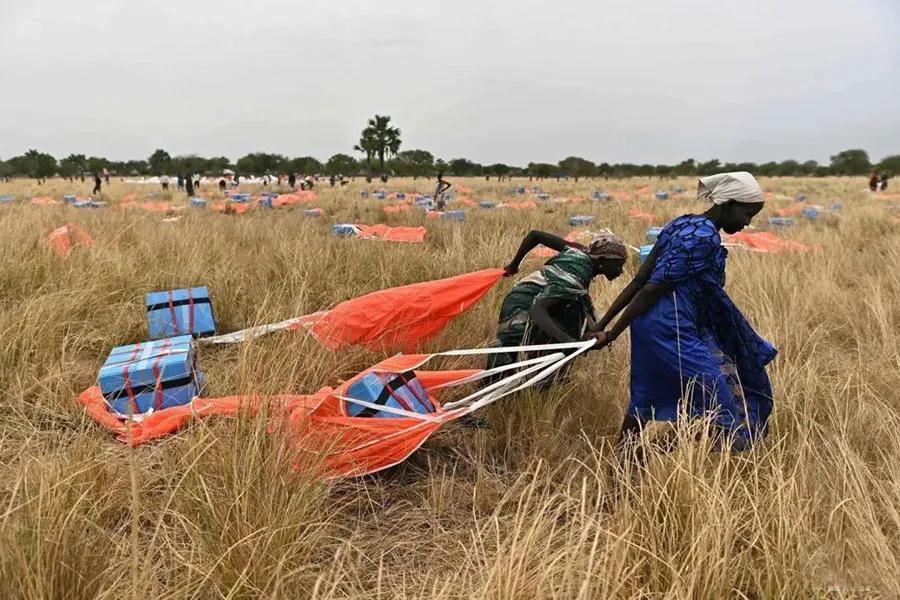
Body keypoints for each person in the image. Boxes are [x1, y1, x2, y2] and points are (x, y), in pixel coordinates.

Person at [592, 172, 777, 454]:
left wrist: (604, 326)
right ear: (728, 203)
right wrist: (611, 333)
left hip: (650, 324)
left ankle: (622, 461)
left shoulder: (682, 223)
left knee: (644, 397)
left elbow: (639, 280)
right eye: (747, 213)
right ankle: (651, 452)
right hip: (673, 326)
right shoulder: (703, 238)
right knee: (724, 410)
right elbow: (651, 288)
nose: (747, 223)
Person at [488, 230, 627, 379]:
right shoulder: (579, 271)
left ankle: (545, 379)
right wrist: (569, 343)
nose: (621, 271)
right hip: (521, 303)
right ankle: (492, 389)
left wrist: (514, 265)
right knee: (506, 356)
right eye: (618, 265)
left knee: (569, 321)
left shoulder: (581, 251)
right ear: (602, 260)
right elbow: (538, 311)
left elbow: (535, 235)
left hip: (542, 299)